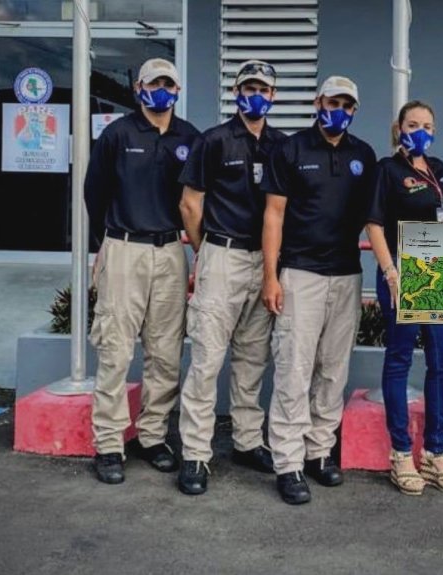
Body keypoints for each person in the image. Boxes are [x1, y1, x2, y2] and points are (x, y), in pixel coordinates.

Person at [261, 76, 377, 505]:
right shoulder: (290, 150)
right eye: (333, 101)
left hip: (346, 274)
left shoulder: (363, 155)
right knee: (293, 368)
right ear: (318, 101)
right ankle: (288, 461)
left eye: (348, 104)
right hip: (300, 274)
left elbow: (375, 219)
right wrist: (270, 276)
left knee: (333, 370)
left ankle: (319, 450)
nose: (339, 109)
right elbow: (273, 215)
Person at [85, 58, 199, 485]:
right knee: (115, 348)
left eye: (170, 83)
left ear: (178, 88)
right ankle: (110, 442)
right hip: (125, 248)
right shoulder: (117, 134)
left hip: (170, 249)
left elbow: (195, 201)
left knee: (166, 350)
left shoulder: (190, 137)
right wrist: (107, 245)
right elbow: (95, 193)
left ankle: (152, 436)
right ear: (138, 88)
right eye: (155, 83)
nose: (163, 90)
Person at [175, 60, 287, 495]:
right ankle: (196, 455)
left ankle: (246, 440)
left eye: (262, 88)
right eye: (248, 87)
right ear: (236, 92)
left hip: (265, 261)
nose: (255, 95)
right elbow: (190, 204)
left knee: (252, 358)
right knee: (206, 360)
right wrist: (207, 251)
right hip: (222, 255)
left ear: (273, 96)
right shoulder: (214, 140)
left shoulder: (282, 145)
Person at [366, 100, 443, 496]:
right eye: (413, 124)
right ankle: (401, 452)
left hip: (439, 274)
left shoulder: (439, 168)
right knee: (401, 359)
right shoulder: (386, 170)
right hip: (402, 274)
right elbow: (373, 225)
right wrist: (390, 272)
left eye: (426, 124)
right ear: (398, 128)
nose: (420, 130)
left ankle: (435, 452)